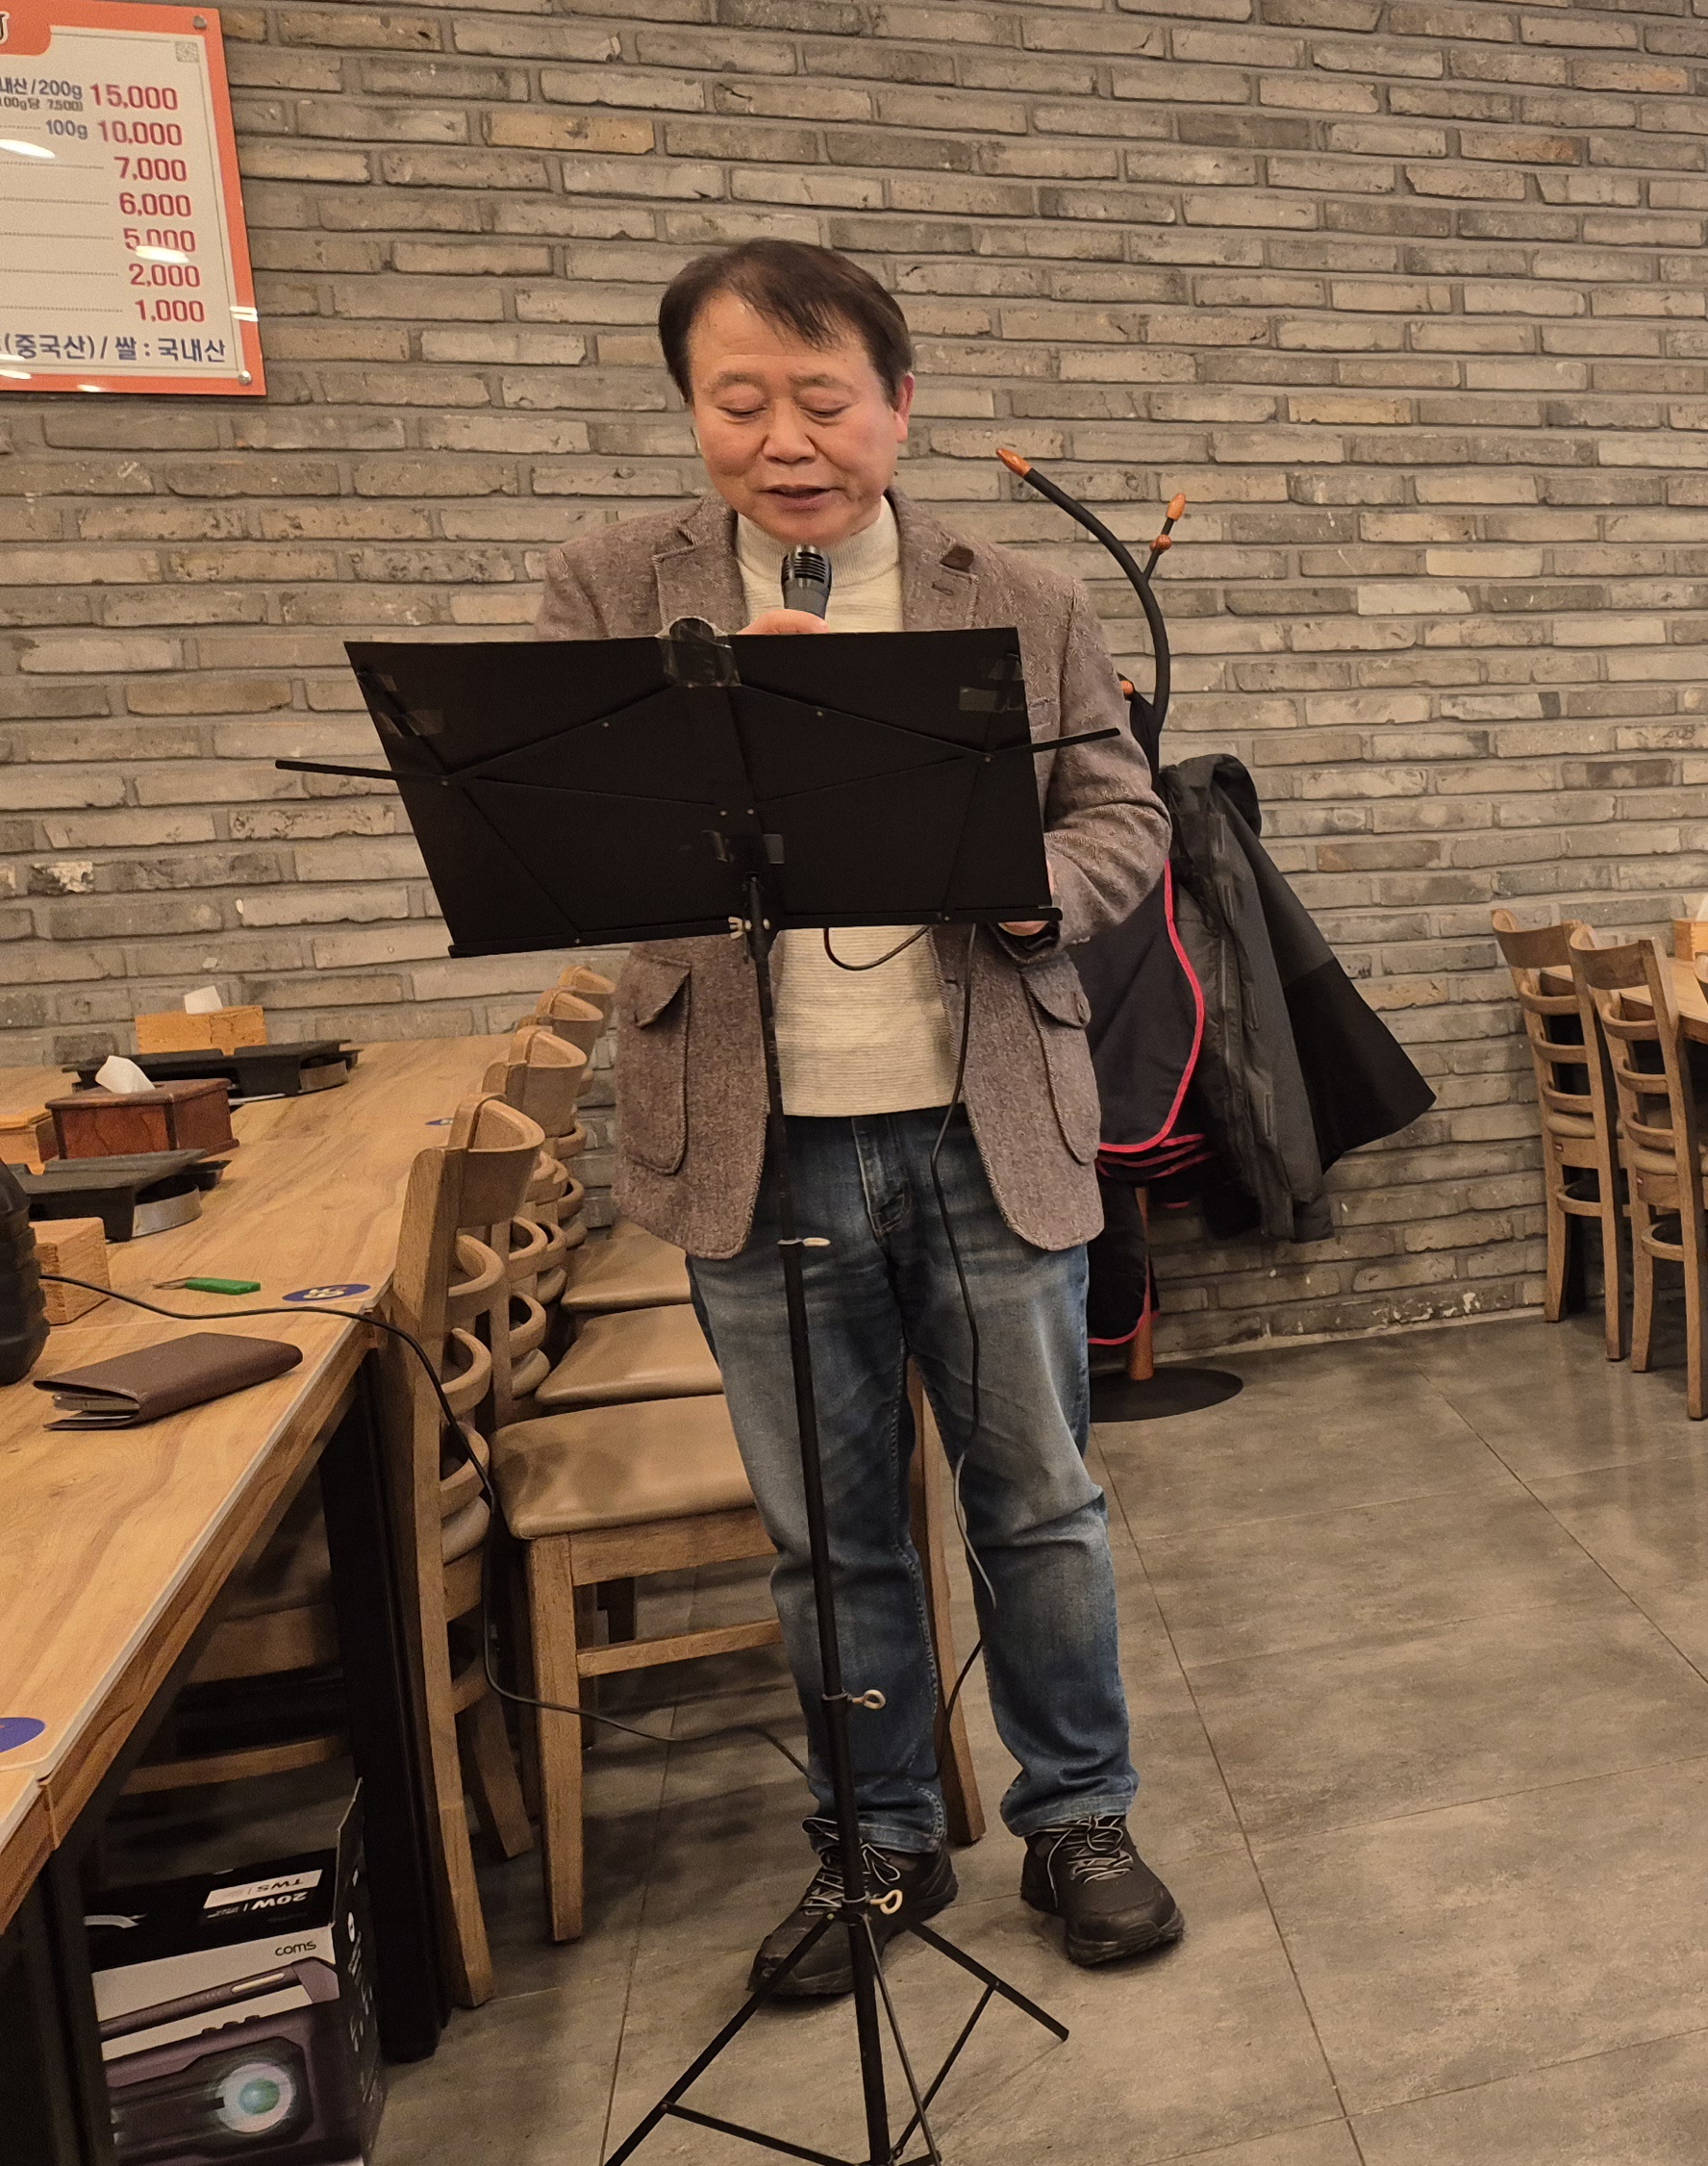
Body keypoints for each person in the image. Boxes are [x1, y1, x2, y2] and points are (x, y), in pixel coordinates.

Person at [535, 239, 1184, 1993]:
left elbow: (1123, 817)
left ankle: (1079, 1816)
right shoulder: (612, 588)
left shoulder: (1024, 596)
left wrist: (1037, 895)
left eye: (822, 400)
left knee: (1039, 1505)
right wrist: (718, 766)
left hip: (987, 1119)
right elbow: (566, 832)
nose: (786, 440)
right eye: (738, 402)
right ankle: (880, 1841)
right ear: (692, 413)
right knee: (826, 1531)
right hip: (754, 1138)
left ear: (899, 405)